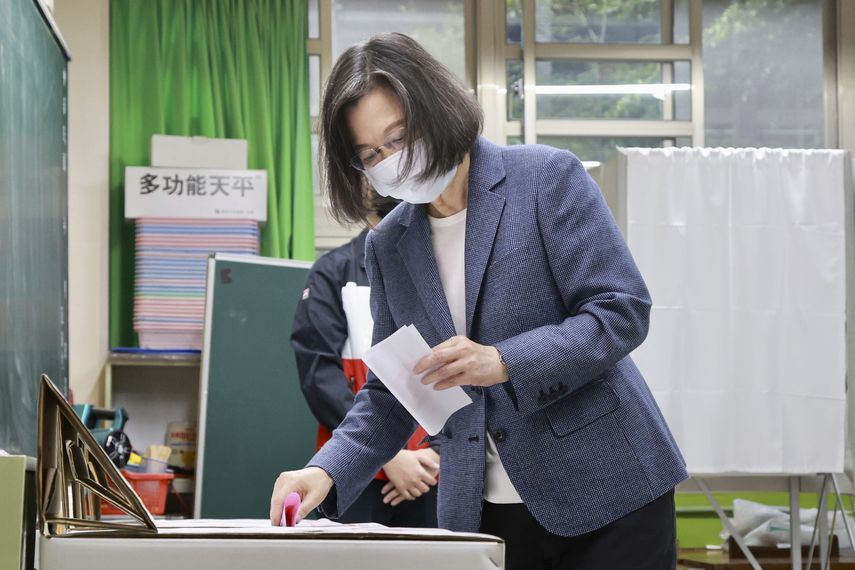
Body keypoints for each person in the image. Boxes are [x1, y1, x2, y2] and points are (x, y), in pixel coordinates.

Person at [271, 32, 688, 570]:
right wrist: (324, 471)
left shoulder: (544, 179)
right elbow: (395, 392)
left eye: (399, 138)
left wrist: (502, 362)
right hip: (484, 508)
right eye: (370, 154)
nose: (389, 162)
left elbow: (620, 310)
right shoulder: (389, 245)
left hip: (609, 489)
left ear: (438, 109)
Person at [290, 192, 440, 526]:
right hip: (356, 474)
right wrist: (390, 457)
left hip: (436, 470)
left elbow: (468, 360)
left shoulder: (443, 267)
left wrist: (438, 453)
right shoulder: (332, 272)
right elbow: (319, 376)